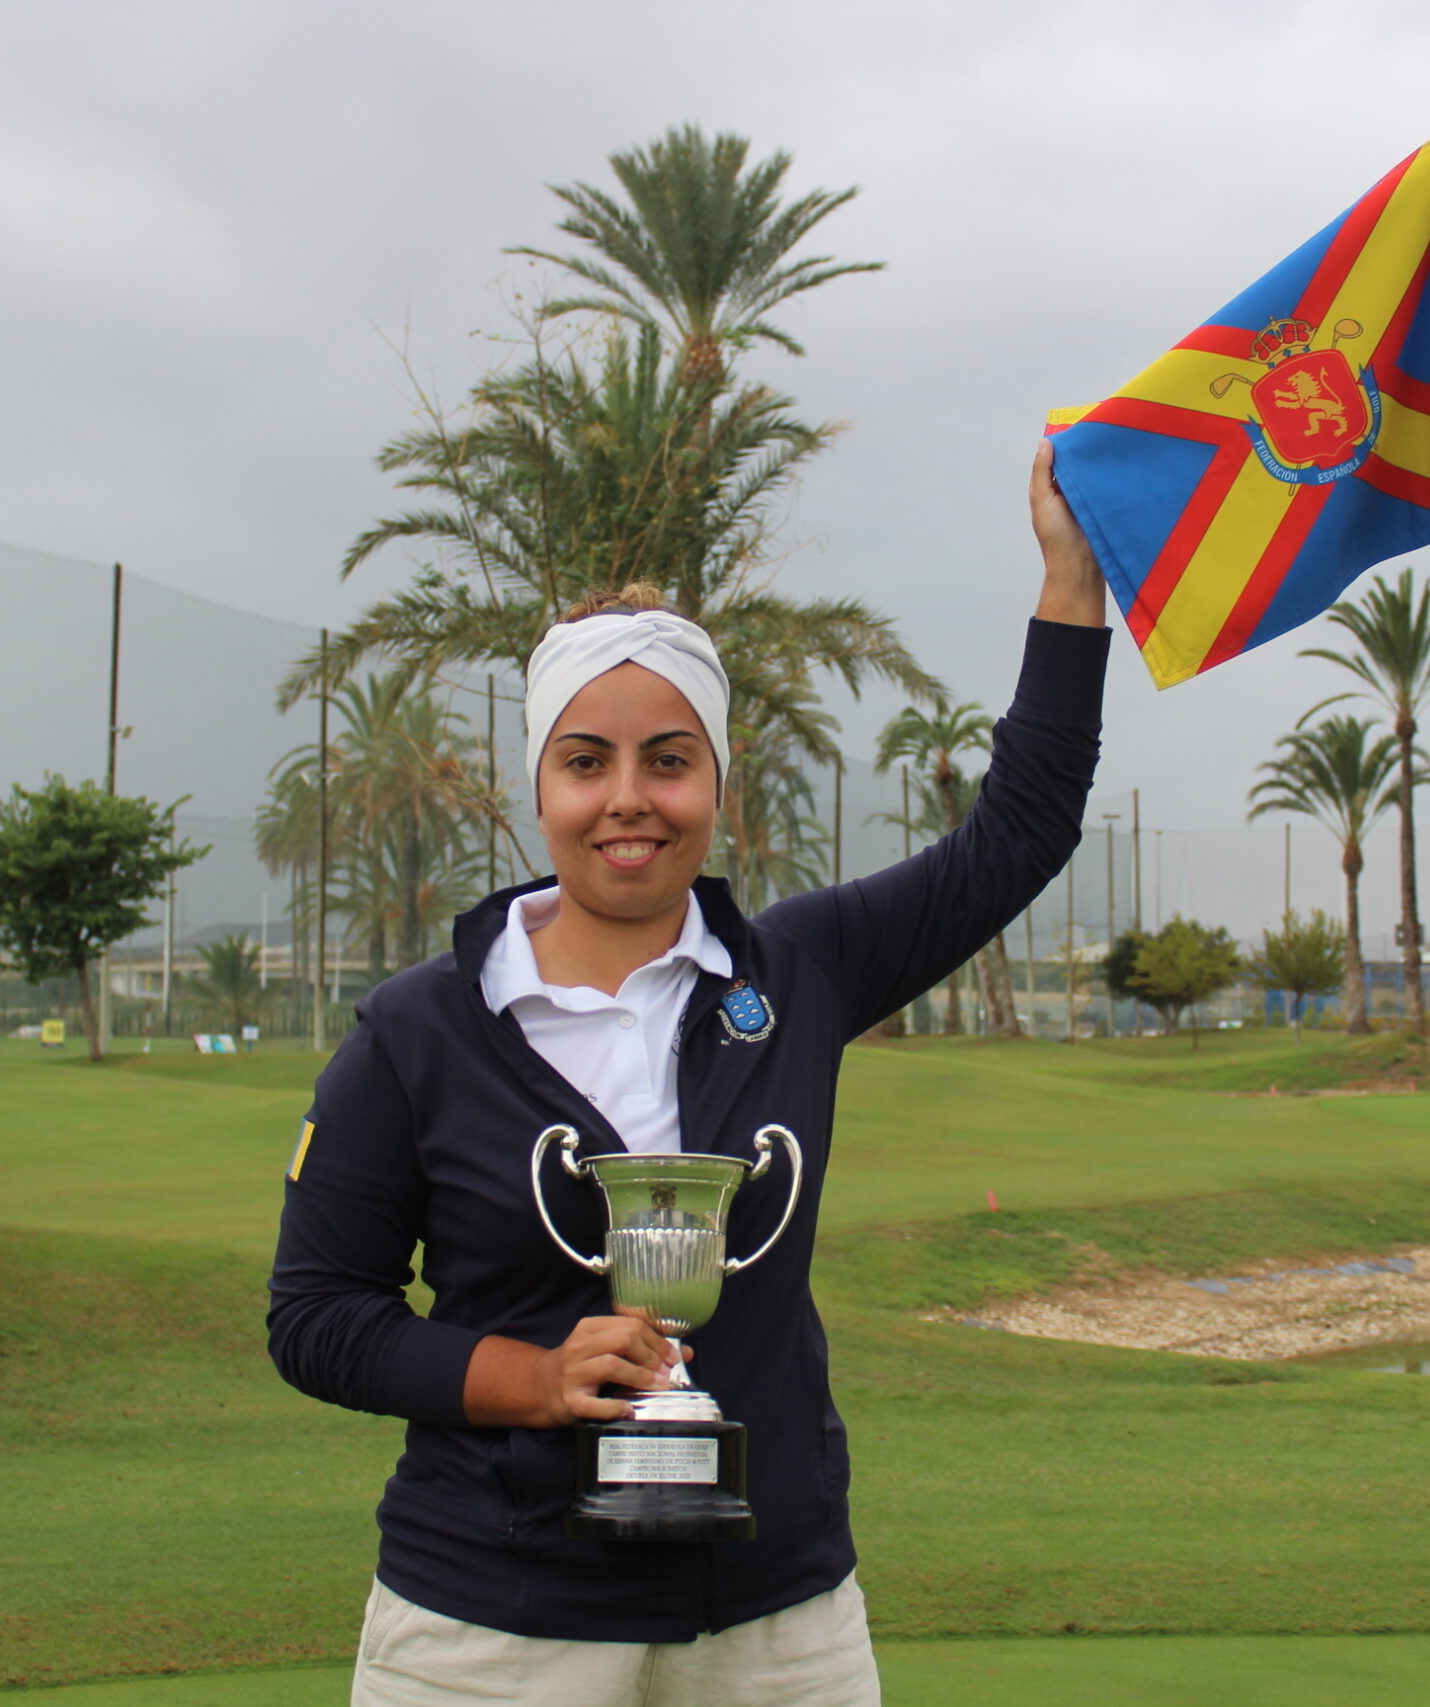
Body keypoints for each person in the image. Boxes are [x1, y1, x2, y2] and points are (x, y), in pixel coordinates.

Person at [268, 441, 1110, 1705]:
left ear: (716, 780)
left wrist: (1071, 580)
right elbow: (319, 1318)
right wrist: (535, 1382)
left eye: (669, 759)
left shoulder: (802, 971)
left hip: (776, 1625)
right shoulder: (417, 1031)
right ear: (537, 786)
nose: (629, 801)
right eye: (585, 761)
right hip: (489, 1630)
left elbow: (1021, 831)